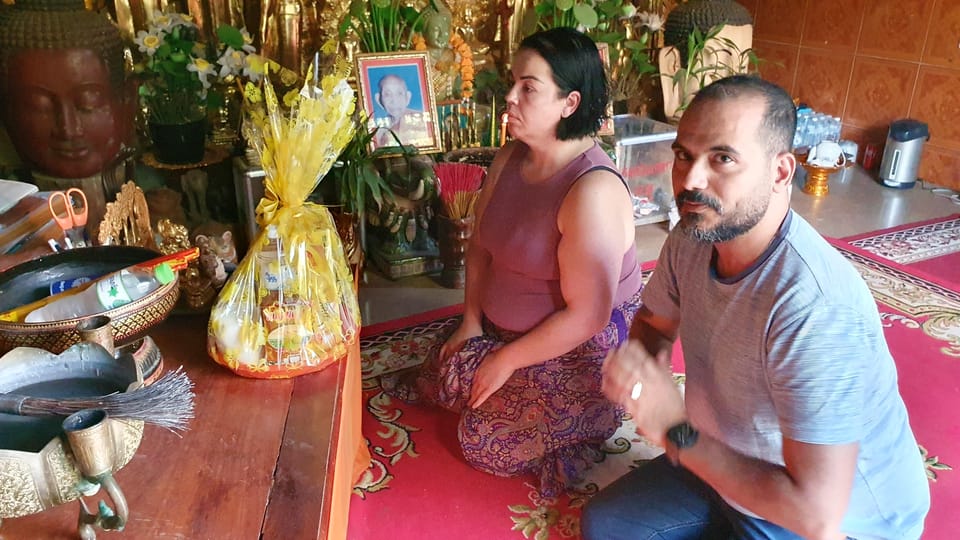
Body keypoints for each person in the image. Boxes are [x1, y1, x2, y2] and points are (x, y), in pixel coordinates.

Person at [582, 75, 930, 539]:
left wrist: (676, 430)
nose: (691, 180)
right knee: (608, 526)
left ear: (781, 171)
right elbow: (654, 324)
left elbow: (816, 514)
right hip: (729, 459)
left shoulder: (814, 307)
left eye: (722, 158)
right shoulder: (694, 234)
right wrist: (642, 371)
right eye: (684, 155)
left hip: (833, 518)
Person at [383, 27, 643, 497]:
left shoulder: (591, 192)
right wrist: (471, 322)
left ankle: (588, 423)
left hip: (580, 345)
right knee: (445, 370)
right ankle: (497, 368)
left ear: (569, 103)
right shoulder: (510, 155)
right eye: (513, 83)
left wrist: (507, 360)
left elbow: (588, 315)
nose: (510, 96)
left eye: (528, 87)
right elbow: (481, 245)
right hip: (504, 330)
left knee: (485, 444)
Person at [0, 0, 136, 239]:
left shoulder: (144, 191)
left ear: (127, 101)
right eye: (39, 106)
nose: (68, 129)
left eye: (87, 104)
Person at [372, 74, 430, 148]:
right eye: (387, 94)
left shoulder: (421, 121)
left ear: (408, 97)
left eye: (399, 93)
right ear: (378, 99)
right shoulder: (379, 129)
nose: (394, 100)